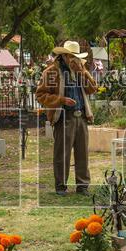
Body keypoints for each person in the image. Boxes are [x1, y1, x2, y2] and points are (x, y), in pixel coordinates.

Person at [36, 40, 97, 196]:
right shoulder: (51, 72)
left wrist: (82, 72)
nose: (73, 59)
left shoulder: (80, 70)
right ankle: (61, 186)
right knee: (62, 154)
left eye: (75, 56)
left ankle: (82, 186)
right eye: (70, 56)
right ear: (63, 55)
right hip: (64, 117)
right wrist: (61, 100)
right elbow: (40, 95)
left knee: (82, 153)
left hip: (81, 116)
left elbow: (92, 89)